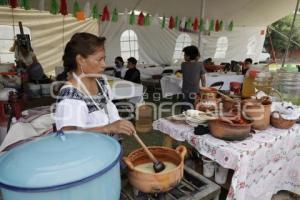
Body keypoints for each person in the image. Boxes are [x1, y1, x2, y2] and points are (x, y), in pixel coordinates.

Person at [55, 32, 135, 137]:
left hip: (110, 146)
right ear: (80, 60)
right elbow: (68, 136)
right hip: (89, 152)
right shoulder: (70, 96)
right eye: (99, 60)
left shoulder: (101, 81)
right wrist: (107, 128)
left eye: (104, 59)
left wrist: (119, 124)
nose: (104, 65)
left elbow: (109, 110)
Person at [181, 45, 206, 111]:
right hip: (196, 91)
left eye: (185, 55)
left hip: (185, 91)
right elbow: (203, 79)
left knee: (186, 108)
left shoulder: (183, 65)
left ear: (188, 56)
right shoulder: (200, 65)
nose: (184, 56)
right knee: (196, 108)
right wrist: (204, 90)